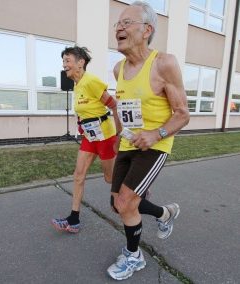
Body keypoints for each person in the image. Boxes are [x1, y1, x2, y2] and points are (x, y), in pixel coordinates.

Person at [107, 1, 190, 281]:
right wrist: (118, 140)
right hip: (129, 143)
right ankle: (165, 214)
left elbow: (182, 115)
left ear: (147, 30)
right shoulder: (118, 69)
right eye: (118, 23)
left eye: (127, 22)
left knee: (128, 201)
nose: (119, 27)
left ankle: (134, 257)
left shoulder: (164, 63)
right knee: (117, 202)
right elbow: (122, 106)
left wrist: (156, 134)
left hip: (156, 145)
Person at [51, 46, 122, 233]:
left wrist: (119, 135)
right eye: (63, 61)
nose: (64, 65)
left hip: (106, 137)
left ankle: (135, 188)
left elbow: (114, 106)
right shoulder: (77, 84)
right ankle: (74, 219)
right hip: (90, 138)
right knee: (78, 175)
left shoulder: (91, 81)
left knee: (109, 179)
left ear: (80, 62)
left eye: (68, 60)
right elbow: (86, 110)